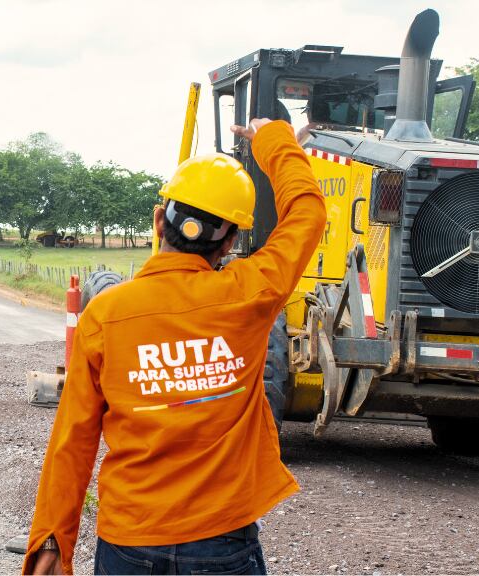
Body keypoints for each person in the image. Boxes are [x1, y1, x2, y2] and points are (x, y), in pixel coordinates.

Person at [23, 118, 327, 575]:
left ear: (159, 219)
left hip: (128, 542)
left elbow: (74, 438)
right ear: (229, 242)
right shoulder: (251, 295)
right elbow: (308, 213)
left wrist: (53, 536)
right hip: (222, 542)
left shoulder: (105, 316)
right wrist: (275, 141)